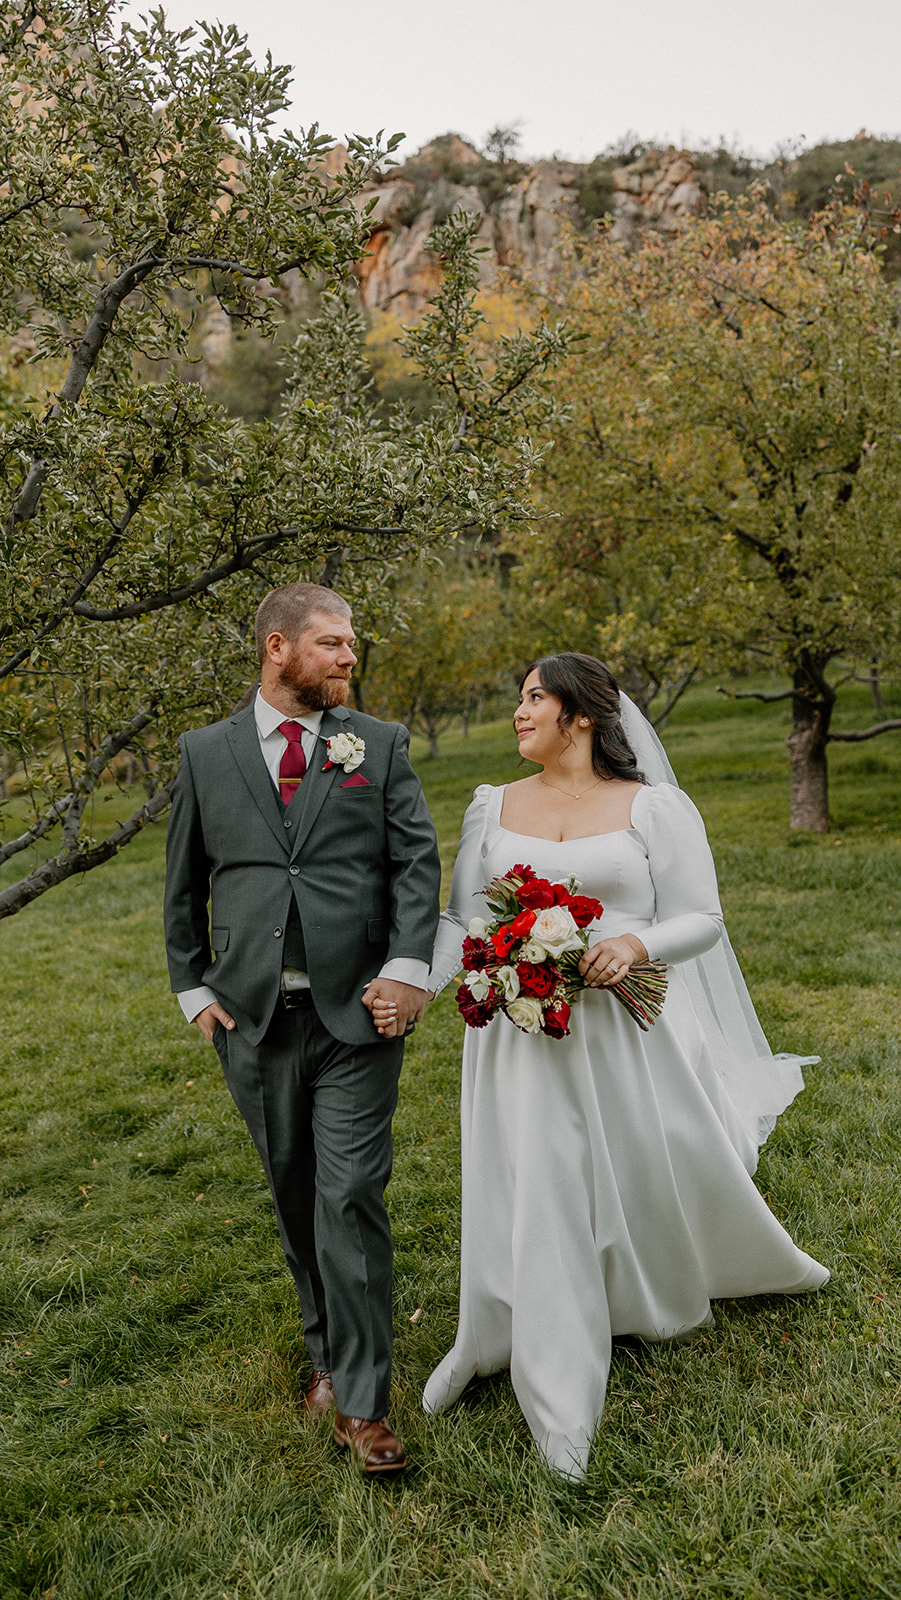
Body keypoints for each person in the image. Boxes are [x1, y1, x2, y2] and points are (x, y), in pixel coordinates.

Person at [372, 652, 828, 1480]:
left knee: (630, 1174)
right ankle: (515, 1352)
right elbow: (464, 919)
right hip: (516, 1029)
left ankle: (632, 1291)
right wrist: (418, 985)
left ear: (580, 716)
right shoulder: (491, 805)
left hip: (625, 1030)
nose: (517, 713)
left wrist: (630, 941)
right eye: (519, 699)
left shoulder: (653, 807)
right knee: (536, 1180)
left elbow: (702, 918)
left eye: (533, 699)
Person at [164, 582, 440, 1474]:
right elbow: (183, 883)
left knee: (349, 1193)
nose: (348, 657)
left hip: (358, 1014)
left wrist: (406, 969)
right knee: (293, 1190)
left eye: (352, 642)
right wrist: (190, 988)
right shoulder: (204, 754)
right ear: (277, 648)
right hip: (251, 1018)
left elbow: (414, 867)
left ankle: (363, 1405)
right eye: (330, 643)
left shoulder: (381, 746)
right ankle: (325, 1350)